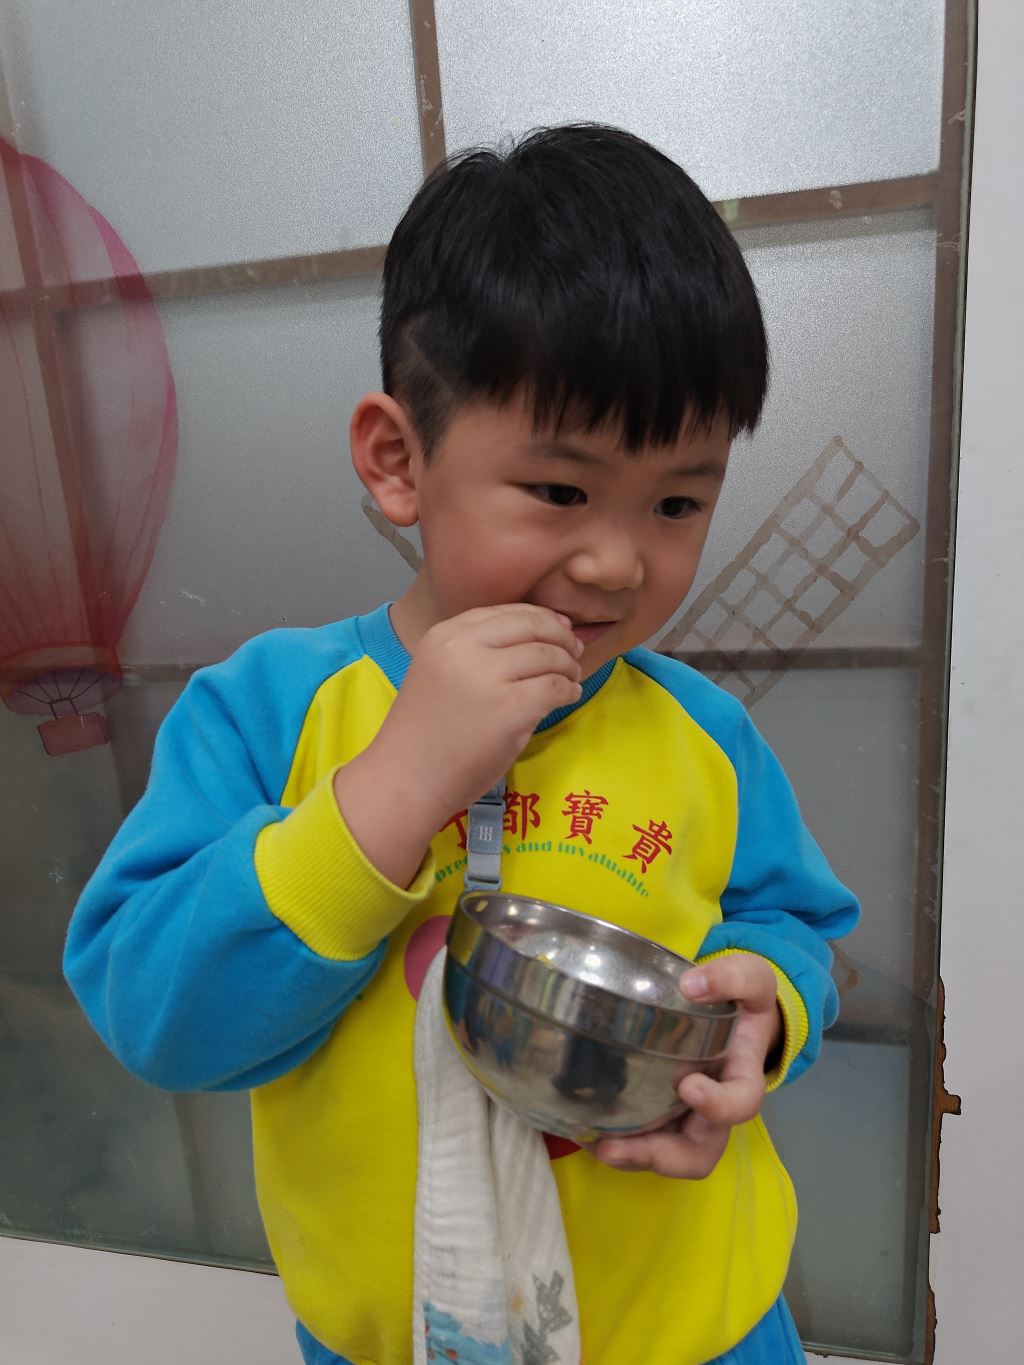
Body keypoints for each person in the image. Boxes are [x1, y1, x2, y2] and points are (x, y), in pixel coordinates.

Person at [64, 124, 859, 1365]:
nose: (617, 562)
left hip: (700, 1325)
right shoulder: (269, 711)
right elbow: (156, 1017)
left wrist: (768, 1008)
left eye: (676, 502)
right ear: (398, 461)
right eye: (559, 491)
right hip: (397, 1338)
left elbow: (793, 927)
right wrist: (392, 787)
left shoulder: (701, 733)